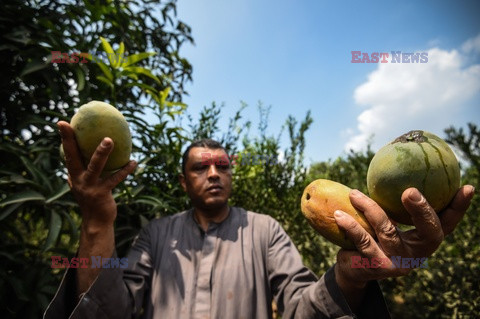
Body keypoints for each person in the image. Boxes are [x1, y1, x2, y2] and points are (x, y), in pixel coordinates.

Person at [44, 121, 475, 319]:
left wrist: (354, 275)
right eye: (200, 167)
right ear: (183, 180)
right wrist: (97, 221)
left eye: (222, 166)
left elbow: (302, 307)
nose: (213, 173)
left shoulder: (265, 230)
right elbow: (110, 311)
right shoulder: (156, 235)